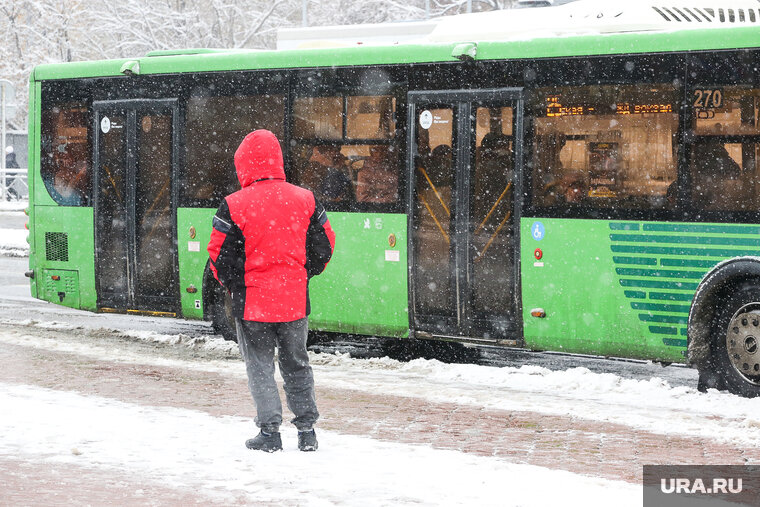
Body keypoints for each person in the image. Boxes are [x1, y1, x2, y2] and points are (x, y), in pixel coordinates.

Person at [207, 130, 336, 453]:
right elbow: (325, 245)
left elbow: (218, 256)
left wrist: (236, 285)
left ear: (243, 165)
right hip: (294, 301)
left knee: (260, 366)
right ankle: (307, 431)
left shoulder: (234, 205)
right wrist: (302, 274)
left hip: (253, 304)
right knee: (297, 363)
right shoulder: (305, 198)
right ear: (277, 160)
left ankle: (269, 433)